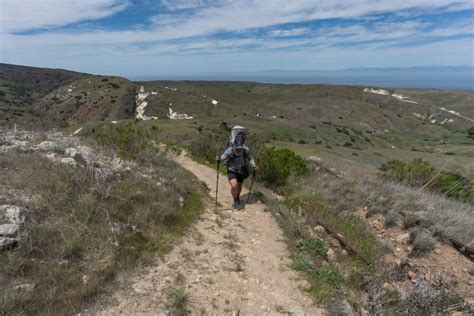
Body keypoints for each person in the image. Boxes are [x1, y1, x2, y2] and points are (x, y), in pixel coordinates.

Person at [216, 127, 257, 210]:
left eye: (240, 148)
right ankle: (235, 201)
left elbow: (250, 158)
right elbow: (223, 157)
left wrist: (254, 165)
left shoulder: (246, 149)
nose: (239, 149)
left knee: (239, 186)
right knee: (234, 185)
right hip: (232, 170)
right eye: (238, 148)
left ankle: (237, 197)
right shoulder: (230, 150)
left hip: (241, 170)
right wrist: (219, 159)